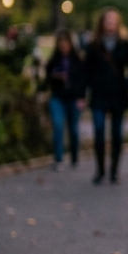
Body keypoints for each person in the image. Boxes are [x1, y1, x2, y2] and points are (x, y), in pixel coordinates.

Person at [85, 9, 128, 184]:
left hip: (118, 94)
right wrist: (83, 93)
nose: (110, 24)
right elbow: (86, 71)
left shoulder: (124, 43)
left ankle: (114, 170)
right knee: (99, 131)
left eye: (114, 21)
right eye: (108, 20)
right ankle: (100, 170)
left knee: (117, 134)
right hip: (99, 93)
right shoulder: (94, 45)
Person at [42, 30, 86, 171]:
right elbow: (46, 79)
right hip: (58, 97)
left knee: (73, 129)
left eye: (65, 42)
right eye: (61, 43)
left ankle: (74, 155)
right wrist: (55, 76)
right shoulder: (54, 60)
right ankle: (58, 158)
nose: (63, 45)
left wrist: (81, 97)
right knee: (58, 126)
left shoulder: (77, 60)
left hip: (73, 98)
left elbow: (83, 80)